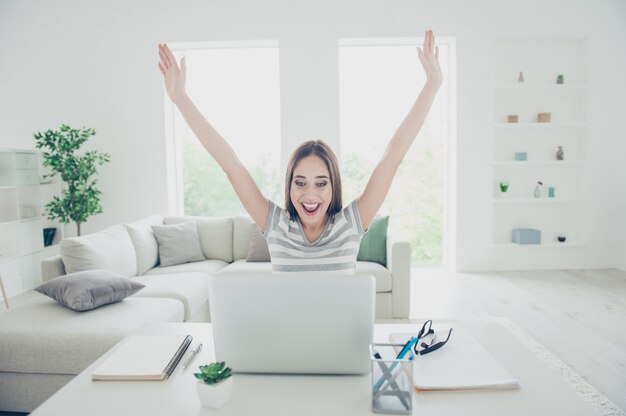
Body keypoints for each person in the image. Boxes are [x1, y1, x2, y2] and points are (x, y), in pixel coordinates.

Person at [158, 30, 442, 274]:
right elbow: (230, 163)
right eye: (300, 182)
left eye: (321, 183)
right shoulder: (277, 226)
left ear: (333, 187)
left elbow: (391, 159)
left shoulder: (349, 225)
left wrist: (432, 85)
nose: (310, 195)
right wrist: (181, 99)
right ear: (289, 185)